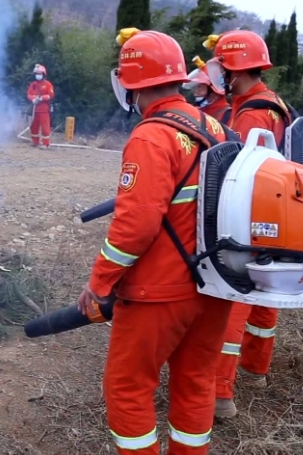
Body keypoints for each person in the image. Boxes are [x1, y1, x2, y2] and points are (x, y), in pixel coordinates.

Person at [78, 27, 233, 454]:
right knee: (196, 382)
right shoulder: (214, 127)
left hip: (160, 291)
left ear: (131, 84)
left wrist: (100, 282)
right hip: (214, 284)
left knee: (128, 388)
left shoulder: (151, 135)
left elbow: (136, 226)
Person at [203, 29, 293, 419]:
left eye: (221, 66)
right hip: (271, 214)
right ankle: (255, 370)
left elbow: (236, 168)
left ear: (235, 70)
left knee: (233, 301)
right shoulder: (270, 102)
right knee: (261, 302)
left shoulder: (253, 111)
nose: (218, 74)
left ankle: (220, 396)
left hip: (248, 215)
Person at [182, 56, 230, 123]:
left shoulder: (229, 117)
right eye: (196, 88)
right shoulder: (195, 115)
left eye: (200, 88)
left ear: (214, 91)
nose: (195, 93)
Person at [26, 64, 54, 148]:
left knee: (45, 127)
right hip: (35, 110)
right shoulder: (33, 85)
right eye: (36, 73)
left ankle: (46, 143)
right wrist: (33, 99)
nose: (38, 75)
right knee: (34, 126)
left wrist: (41, 98)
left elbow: (51, 95)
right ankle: (35, 142)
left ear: (43, 74)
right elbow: (29, 94)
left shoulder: (48, 84)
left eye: (39, 73)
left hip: (44, 110)